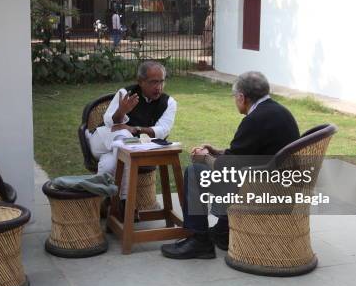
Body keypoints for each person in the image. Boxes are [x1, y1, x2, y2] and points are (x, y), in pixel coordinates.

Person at [161, 71, 300, 260]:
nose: (235, 101)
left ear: (242, 97)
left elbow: (229, 167)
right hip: (282, 186)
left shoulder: (254, 120)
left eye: (235, 97)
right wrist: (218, 152)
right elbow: (247, 153)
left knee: (194, 172)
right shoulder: (279, 112)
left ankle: (199, 240)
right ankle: (222, 231)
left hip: (262, 190)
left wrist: (205, 159)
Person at [87, 61, 177, 205]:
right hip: (102, 141)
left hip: (126, 149)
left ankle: (103, 204)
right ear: (140, 81)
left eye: (161, 82)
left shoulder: (169, 103)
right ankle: (125, 200)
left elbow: (162, 131)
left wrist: (134, 129)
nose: (158, 87)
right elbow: (109, 122)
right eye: (153, 82)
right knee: (123, 134)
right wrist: (122, 112)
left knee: (110, 164)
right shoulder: (125, 93)